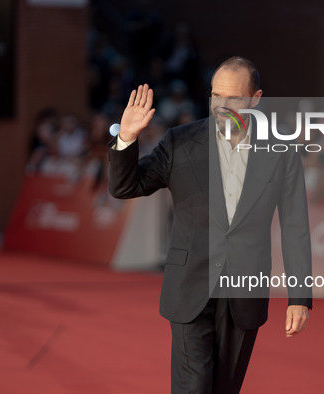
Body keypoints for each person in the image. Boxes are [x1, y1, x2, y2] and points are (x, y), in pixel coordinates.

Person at [109, 57, 312, 393]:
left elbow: (295, 225)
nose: (222, 105)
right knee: (195, 387)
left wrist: (299, 297)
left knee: (224, 388)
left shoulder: (281, 150)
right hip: (190, 287)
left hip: (245, 290)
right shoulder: (180, 141)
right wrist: (127, 138)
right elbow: (126, 187)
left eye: (233, 98)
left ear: (255, 98)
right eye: (216, 96)